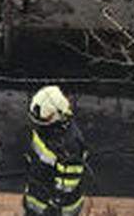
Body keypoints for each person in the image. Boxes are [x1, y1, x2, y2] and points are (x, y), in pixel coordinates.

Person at [24, 85, 88, 216]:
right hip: (37, 199)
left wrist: (54, 207)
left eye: (44, 121)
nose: (39, 125)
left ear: (59, 114)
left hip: (60, 210)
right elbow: (39, 152)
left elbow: (68, 185)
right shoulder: (47, 129)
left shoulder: (70, 146)